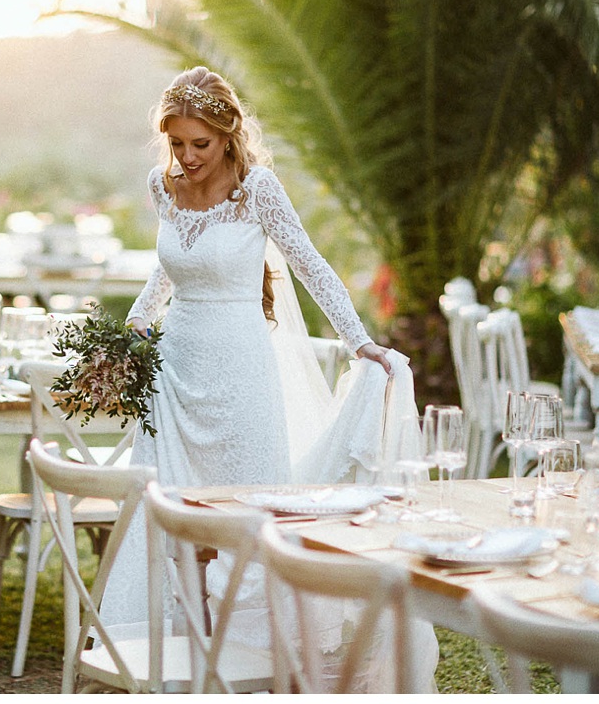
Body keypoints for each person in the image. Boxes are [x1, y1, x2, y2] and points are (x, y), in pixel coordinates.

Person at [99, 66, 437, 691]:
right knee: (168, 512)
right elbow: (167, 270)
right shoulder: (161, 186)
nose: (187, 157)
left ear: (227, 136)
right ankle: (177, 654)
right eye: (177, 144)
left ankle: (260, 658)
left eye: (200, 144)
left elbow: (310, 264)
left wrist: (359, 341)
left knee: (255, 511)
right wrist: (130, 332)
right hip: (173, 374)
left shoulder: (259, 189)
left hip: (240, 370)